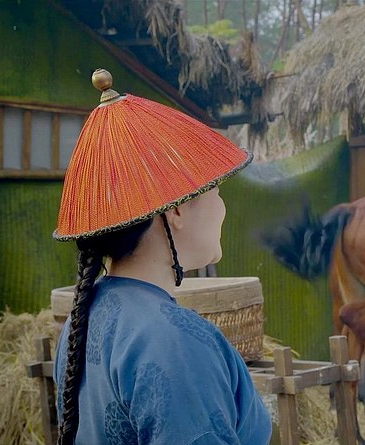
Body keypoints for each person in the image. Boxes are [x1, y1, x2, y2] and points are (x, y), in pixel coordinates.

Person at [52, 69, 272, 444]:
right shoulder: (174, 344)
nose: (223, 209)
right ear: (177, 210)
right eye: (217, 192)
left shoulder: (85, 315)